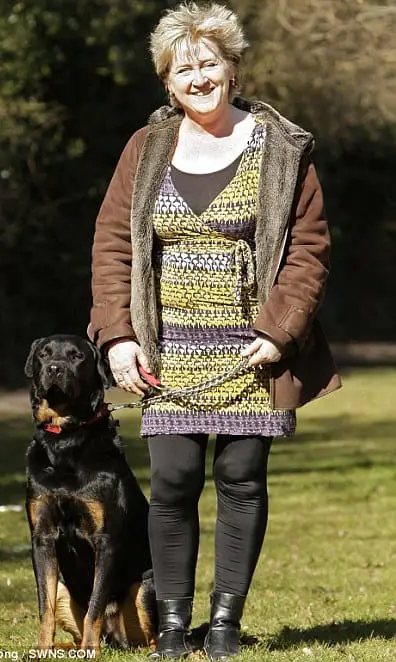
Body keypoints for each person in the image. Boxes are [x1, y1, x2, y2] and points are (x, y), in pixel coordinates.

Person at [89, 2, 341, 658]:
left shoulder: (282, 148)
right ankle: (173, 625)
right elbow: (114, 243)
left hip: (252, 351)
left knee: (241, 479)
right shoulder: (145, 150)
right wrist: (117, 337)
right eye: (183, 69)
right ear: (166, 82)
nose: (197, 77)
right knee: (171, 481)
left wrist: (279, 331)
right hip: (165, 349)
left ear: (232, 68)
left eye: (209, 63)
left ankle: (224, 624)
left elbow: (308, 249)